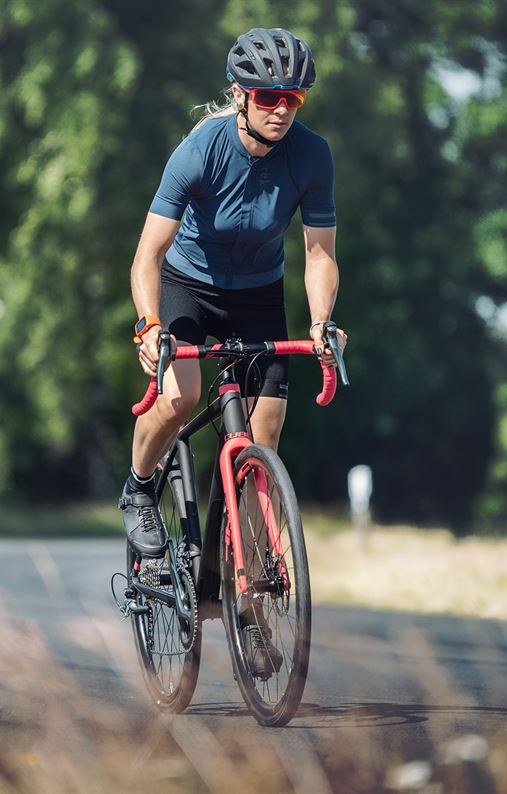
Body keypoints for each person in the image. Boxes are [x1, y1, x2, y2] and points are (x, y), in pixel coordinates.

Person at [120, 26, 347, 564]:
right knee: (181, 397)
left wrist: (320, 324)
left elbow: (319, 255)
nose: (282, 109)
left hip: (258, 294)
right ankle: (139, 486)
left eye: (293, 97)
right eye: (269, 97)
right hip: (186, 286)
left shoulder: (312, 156)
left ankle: (250, 580)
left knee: (261, 438)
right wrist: (149, 324)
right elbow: (146, 257)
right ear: (241, 95)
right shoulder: (199, 152)